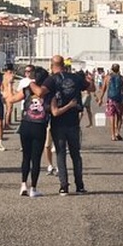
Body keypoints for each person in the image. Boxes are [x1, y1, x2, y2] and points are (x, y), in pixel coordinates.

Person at [34, 55, 94, 195]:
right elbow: (90, 88)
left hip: (58, 121)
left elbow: (41, 93)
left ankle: (63, 186)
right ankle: (79, 185)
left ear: (52, 64)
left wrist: (31, 83)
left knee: (61, 154)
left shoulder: (51, 79)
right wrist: (90, 81)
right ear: (64, 64)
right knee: (75, 154)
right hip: (73, 120)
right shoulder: (75, 78)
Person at [9, 65, 49, 197]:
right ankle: (34, 188)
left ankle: (23, 184)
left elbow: (11, 99)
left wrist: (9, 85)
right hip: (39, 125)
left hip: (26, 124)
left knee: (25, 156)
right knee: (36, 158)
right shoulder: (48, 92)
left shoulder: (26, 89)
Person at [98, 63, 123, 141]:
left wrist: (100, 99)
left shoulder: (107, 77)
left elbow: (103, 89)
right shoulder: (122, 78)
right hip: (119, 99)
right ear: (119, 69)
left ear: (112, 69)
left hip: (110, 99)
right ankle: (117, 132)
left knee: (111, 117)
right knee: (119, 116)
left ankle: (112, 135)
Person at [2, 63, 16, 129]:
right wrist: (12, 94)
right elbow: (10, 86)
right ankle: (7, 124)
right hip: (9, 93)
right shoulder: (11, 76)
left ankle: (7, 122)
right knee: (9, 110)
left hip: (4, 93)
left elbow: (1, 86)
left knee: (7, 110)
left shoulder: (4, 76)